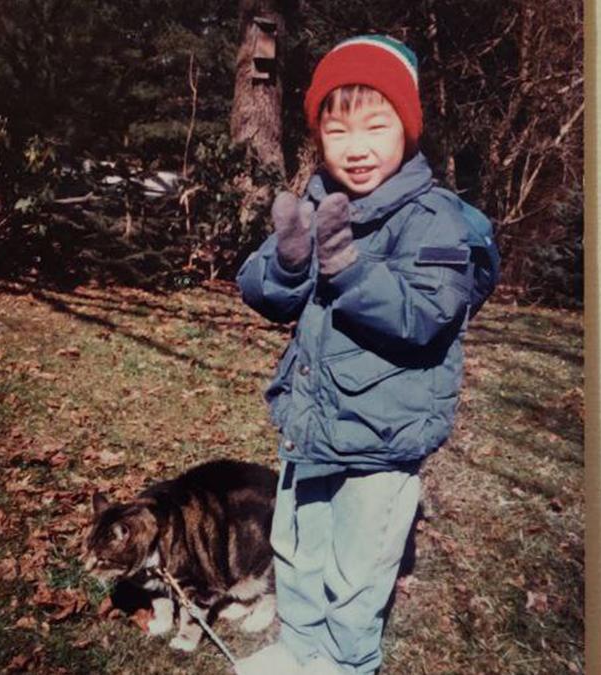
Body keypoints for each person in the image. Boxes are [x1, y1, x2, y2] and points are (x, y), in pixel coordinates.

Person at [234, 35, 489, 674]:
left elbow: (426, 314)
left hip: (383, 436)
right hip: (313, 422)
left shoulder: (435, 219)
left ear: (408, 128)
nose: (357, 146)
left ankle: (347, 664)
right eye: (338, 127)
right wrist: (289, 263)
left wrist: (347, 271)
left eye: (377, 126)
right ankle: (300, 651)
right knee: (295, 546)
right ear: (317, 134)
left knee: (357, 567)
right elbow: (260, 290)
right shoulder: (317, 200)